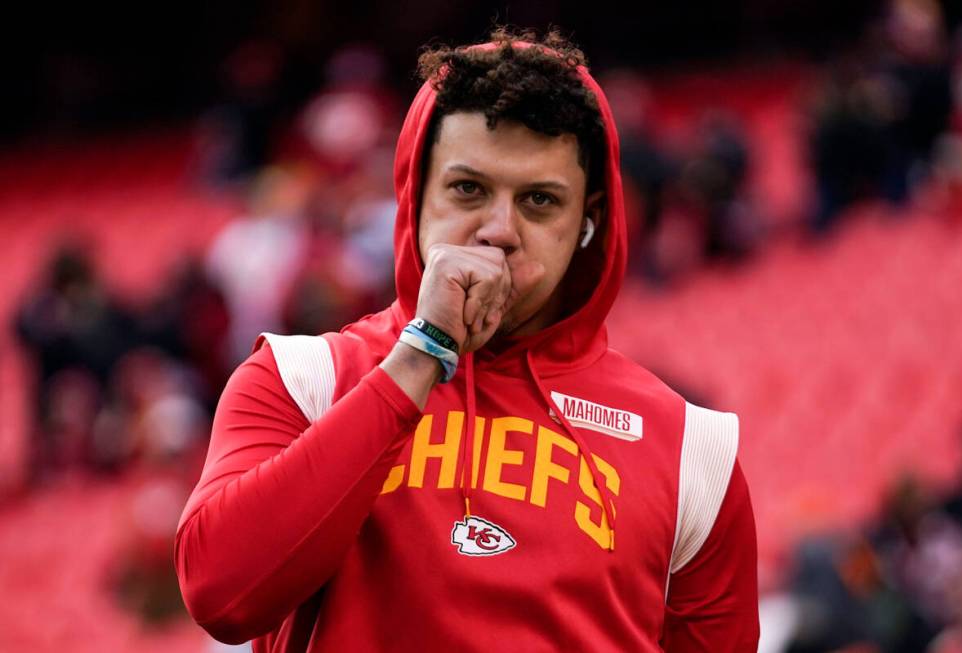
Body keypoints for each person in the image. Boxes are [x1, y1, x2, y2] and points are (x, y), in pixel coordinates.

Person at [174, 28, 759, 652]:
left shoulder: (696, 450)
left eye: (539, 201)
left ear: (588, 222)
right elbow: (221, 593)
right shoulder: (301, 378)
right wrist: (422, 351)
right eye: (468, 190)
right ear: (414, 192)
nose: (499, 230)